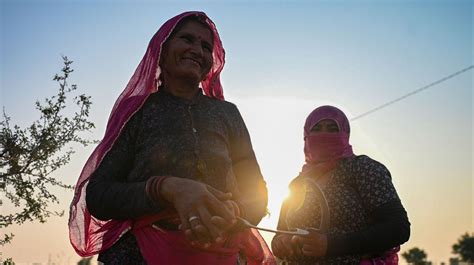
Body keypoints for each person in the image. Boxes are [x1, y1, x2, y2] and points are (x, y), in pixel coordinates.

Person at [68, 11, 274, 265]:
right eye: (187, 39)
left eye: (206, 46)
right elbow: (99, 196)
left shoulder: (227, 113)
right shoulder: (137, 112)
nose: (197, 50)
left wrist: (233, 213)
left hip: (221, 251)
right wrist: (166, 188)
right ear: (162, 51)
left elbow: (257, 192)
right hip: (142, 254)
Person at [271, 105, 410, 264]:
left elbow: (398, 228)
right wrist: (280, 243)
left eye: (332, 128)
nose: (324, 134)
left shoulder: (363, 169)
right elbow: (280, 233)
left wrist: (332, 245)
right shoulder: (297, 184)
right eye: (317, 129)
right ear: (306, 136)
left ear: (345, 134)